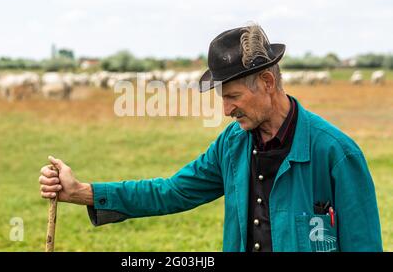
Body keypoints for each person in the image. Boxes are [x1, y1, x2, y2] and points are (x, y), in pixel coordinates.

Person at [39, 24, 382, 252]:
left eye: (232, 96)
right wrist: (83, 193)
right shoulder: (232, 145)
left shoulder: (336, 154)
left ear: (266, 83)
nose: (225, 109)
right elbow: (171, 191)